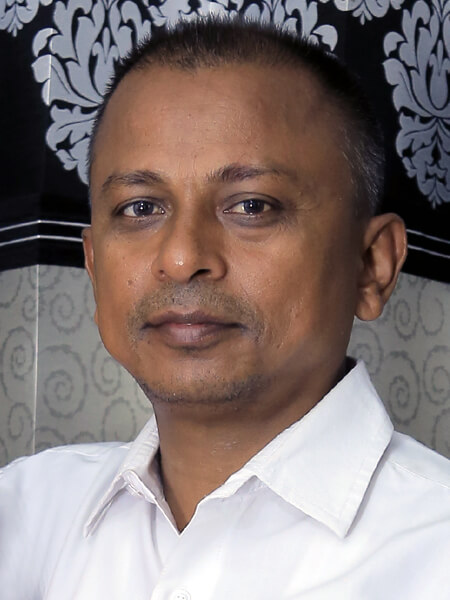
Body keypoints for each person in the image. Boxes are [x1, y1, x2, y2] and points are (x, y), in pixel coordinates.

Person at [1, 17, 449, 599]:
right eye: (140, 208)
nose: (182, 257)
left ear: (371, 265)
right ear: (93, 264)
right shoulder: (25, 512)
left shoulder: (434, 546)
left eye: (252, 206)